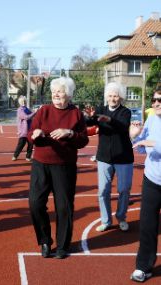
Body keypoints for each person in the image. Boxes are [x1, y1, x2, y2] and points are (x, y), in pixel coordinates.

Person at [28, 77, 89, 259]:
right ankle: (45, 240)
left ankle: (63, 246)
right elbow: (31, 134)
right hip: (41, 164)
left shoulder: (76, 114)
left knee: (64, 207)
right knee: (35, 204)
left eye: (60, 91)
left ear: (68, 95)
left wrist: (69, 133)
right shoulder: (44, 111)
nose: (55, 94)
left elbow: (83, 140)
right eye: (54, 91)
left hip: (64, 166)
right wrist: (36, 134)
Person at [85, 82, 134, 232]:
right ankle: (106, 220)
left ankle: (121, 217)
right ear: (107, 96)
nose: (113, 98)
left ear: (121, 97)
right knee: (103, 191)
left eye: (116, 95)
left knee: (124, 189)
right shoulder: (100, 109)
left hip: (124, 157)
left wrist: (109, 120)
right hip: (104, 157)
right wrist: (91, 116)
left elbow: (123, 126)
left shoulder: (125, 112)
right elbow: (88, 122)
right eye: (111, 95)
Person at [129, 90, 161, 282]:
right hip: (152, 179)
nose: (156, 103)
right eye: (154, 99)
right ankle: (143, 267)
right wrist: (135, 136)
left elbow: (153, 144)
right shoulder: (151, 118)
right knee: (147, 225)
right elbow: (142, 147)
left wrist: (153, 143)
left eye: (160, 100)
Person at [12, 95, 36, 161]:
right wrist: (34, 113)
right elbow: (26, 117)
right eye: (22, 101)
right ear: (20, 102)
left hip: (30, 130)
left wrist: (37, 111)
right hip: (23, 131)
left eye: (25, 101)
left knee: (31, 144)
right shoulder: (20, 110)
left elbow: (33, 115)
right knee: (21, 145)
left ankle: (28, 157)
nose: (24, 102)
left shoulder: (27, 109)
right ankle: (15, 155)